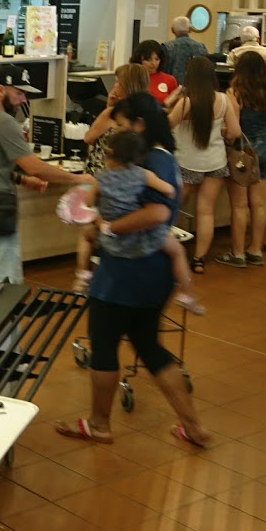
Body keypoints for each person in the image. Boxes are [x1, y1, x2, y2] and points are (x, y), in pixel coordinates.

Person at [54, 94, 212, 448]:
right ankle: (193, 425)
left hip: (123, 274)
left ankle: (99, 424)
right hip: (155, 272)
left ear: (139, 124)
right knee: (149, 345)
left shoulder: (146, 161)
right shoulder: (160, 160)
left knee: (104, 344)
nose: (116, 132)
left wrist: (106, 228)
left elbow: (157, 213)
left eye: (122, 125)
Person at [0, 64, 83, 284]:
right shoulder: (2, 121)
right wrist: (78, 178)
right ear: (0, 90)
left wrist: (22, 179)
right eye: (19, 93)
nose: (23, 100)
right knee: (5, 286)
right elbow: (35, 167)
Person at [71, 130, 204, 314]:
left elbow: (88, 203)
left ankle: (82, 273)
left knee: (86, 236)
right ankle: (187, 294)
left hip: (108, 231)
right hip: (139, 231)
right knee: (177, 252)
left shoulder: (100, 179)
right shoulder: (144, 175)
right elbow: (169, 190)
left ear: (109, 154)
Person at [169, 55, 240, 273]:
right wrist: (219, 133)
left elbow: (166, 125)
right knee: (206, 211)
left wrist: (169, 102)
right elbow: (235, 132)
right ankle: (199, 260)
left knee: (171, 207)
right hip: (215, 162)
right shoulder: (223, 99)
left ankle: (164, 252)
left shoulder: (186, 102)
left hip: (187, 162)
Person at [217, 51, 266, 268]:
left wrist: (224, 137)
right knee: (258, 203)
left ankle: (238, 253)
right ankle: (255, 250)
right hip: (264, 150)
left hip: (242, 152)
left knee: (239, 205)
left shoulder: (234, 93)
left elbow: (233, 131)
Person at [84, 62, 150, 173]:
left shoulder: (114, 113)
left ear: (127, 86)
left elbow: (89, 138)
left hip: (102, 170)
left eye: (117, 82)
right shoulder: (147, 111)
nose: (114, 86)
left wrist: (109, 107)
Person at [162, 16, 208, 80]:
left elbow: (162, 72)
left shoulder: (166, 47)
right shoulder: (201, 47)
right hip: (196, 84)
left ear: (172, 30)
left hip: (172, 84)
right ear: (190, 29)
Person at [134, 39, 178, 105]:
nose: (153, 63)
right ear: (139, 60)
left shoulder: (170, 80)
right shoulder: (132, 78)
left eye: (157, 59)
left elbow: (176, 105)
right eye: (149, 60)